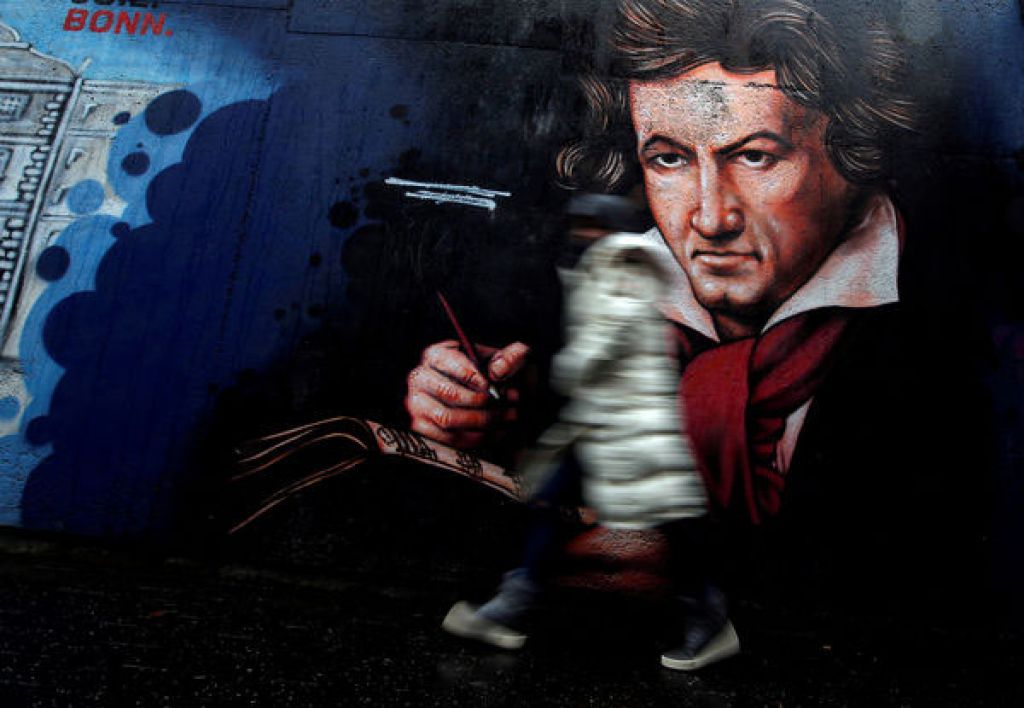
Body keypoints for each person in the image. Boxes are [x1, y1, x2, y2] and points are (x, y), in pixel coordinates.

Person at [410, 0, 984, 613]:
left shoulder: (957, 332)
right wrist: (485, 425)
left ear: (853, 153)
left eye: (755, 156)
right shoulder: (581, 298)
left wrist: (689, 572)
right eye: (669, 159)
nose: (710, 218)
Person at [441, 232, 739, 670]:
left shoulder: (620, 287)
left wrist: (569, 360)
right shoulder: (617, 280)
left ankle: (709, 619)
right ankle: (509, 608)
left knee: (671, 521)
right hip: (599, 433)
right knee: (551, 503)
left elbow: (581, 367)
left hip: (631, 438)